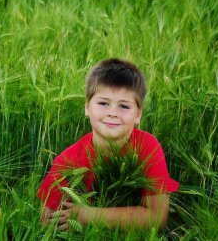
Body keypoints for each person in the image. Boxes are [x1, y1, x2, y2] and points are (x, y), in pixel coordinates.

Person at [36, 58, 179, 231]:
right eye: (103, 103)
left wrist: (89, 215)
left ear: (138, 114)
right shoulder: (68, 161)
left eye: (124, 106)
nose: (112, 113)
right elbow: (46, 220)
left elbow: (157, 218)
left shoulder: (147, 147)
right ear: (87, 107)